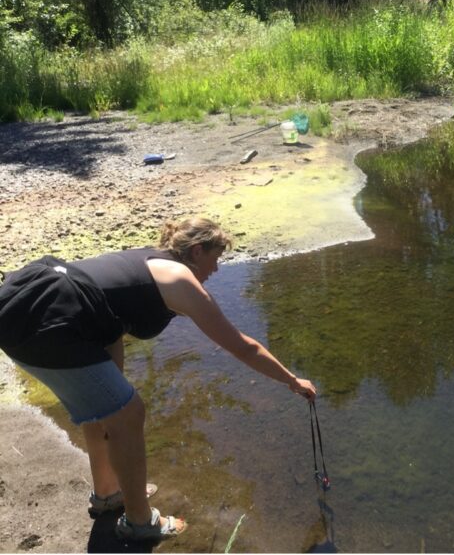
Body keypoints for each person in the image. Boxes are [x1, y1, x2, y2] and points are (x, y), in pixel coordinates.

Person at [0, 217, 316, 542]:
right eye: (216, 258)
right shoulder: (181, 279)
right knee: (129, 413)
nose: (217, 269)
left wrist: (115, 403)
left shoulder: (150, 260)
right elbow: (243, 347)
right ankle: (140, 522)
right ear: (196, 251)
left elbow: (110, 325)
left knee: (109, 411)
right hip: (43, 323)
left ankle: (108, 493)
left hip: (29, 309)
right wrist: (291, 380)